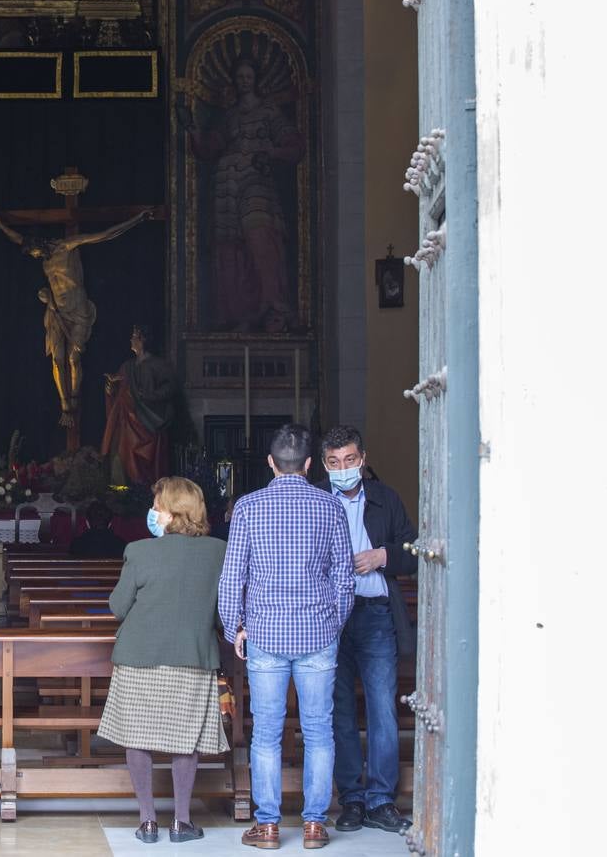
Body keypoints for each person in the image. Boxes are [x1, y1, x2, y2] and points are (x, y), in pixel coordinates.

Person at [217, 423, 353, 850]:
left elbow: (231, 577)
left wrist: (233, 624)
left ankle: (269, 825)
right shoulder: (330, 507)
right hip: (318, 633)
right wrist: (334, 625)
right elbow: (344, 580)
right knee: (319, 730)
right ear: (311, 465)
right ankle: (314, 824)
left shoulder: (248, 507)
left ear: (271, 463)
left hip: (265, 634)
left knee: (266, 733)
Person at [97, 477, 228, 844]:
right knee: (185, 739)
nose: (152, 512)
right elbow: (221, 613)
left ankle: (148, 821)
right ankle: (182, 822)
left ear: (172, 512)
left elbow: (117, 606)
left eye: (157, 506)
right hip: (193, 655)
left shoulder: (139, 551)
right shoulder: (218, 551)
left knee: (137, 737)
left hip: (139, 655)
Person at [320, 426, 417, 835]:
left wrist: (383, 555)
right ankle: (352, 800)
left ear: (363, 459)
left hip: (376, 613)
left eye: (349, 460)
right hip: (330, 619)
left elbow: (413, 551)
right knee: (338, 710)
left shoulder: (386, 499)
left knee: (382, 708)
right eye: (334, 462)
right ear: (323, 465)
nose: (342, 468)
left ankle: (381, 800)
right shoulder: (317, 503)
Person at [0, 209, 152, 428]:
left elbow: (105, 234)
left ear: (40, 243)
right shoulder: (42, 256)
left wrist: (137, 218)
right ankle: (65, 406)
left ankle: (73, 402)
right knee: (57, 359)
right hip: (57, 311)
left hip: (79, 310)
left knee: (74, 358)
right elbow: (17, 238)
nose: (37, 257)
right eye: (34, 256)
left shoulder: (66, 246)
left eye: (36, 253)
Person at [180, 58, 304, 333]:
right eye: (240, 76)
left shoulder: (269, 112)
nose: (244, 81)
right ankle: (239, 313)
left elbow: (293, 145)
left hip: (256, 184)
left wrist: (271, 153)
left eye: (248, 76)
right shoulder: (231, 115)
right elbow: (210, 148)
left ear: (256, 80)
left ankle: (272, 307)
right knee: (229, 248)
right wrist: (192, 129)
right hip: (226, 187)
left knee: (261, 240)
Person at [101, 324, 178, 486]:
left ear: (142, 340)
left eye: (134, 337)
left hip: (147, 421)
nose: (131, 339)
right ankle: (122, 489)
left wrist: (149, 396)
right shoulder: (127, 366)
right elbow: (117, 391)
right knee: (120, 453)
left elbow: (169, 388)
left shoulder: (158, 365)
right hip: (125, 422)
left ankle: (142, 489)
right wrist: (110, 389)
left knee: (140, 459)